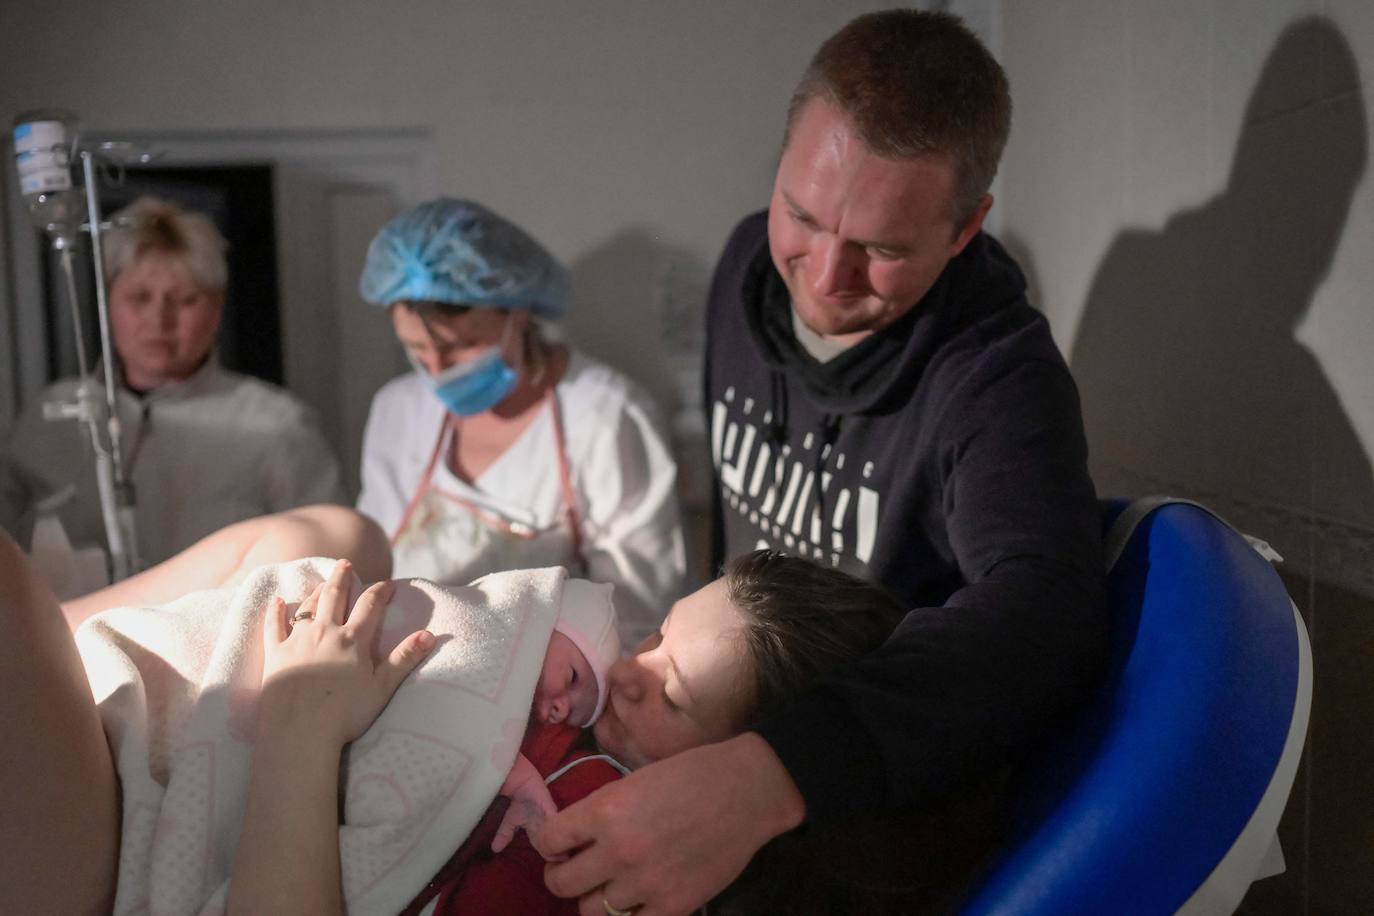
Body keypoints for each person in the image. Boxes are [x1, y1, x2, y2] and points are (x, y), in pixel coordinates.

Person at [535, 10, 1108, 914]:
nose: (825, 275)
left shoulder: (996, 381)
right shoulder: (745, 270)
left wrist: (769, 774)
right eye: (801, 215)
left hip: (846, 822)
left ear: (966, 230)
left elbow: (1047, 617)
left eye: (881, 249)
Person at [0, 509, 902, 916]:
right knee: (331, 538)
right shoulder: (596, 728)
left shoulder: (580, 876)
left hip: (130, 851)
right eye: (658, 640)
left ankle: (49, 647)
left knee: (8, 594)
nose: (630, 673)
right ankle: (74, 650)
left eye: (670, 693)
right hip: (160, 720)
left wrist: (301, 723)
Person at [355, 197, 685, 648]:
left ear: (518, 311)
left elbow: (637, 613)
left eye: (462, 345)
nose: (437, 368)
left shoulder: (606, 415)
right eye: (416, 350)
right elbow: (373, 561)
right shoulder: (398, 411)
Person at [0, 196, 344, 591]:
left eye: (184, 300)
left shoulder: (275, 424)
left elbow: (327, 560)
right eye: (139, 298)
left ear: (216, 309)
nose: (158, 320)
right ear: (108, 302)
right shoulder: (50, 417)